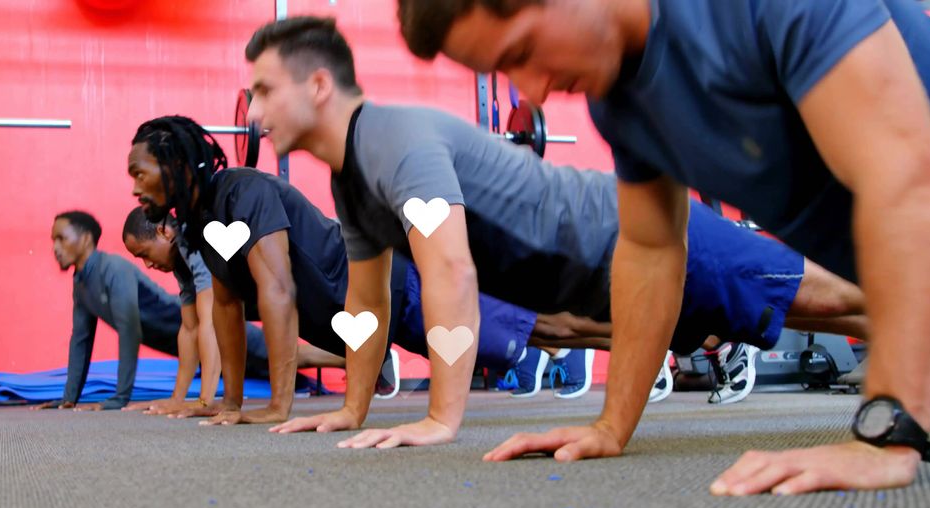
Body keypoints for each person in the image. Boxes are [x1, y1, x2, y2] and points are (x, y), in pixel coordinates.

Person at [239, 17, 930, 447]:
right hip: (609, 283)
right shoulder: (351, 178)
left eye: (266, 89)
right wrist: (351, 409)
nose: (255, 110)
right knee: (832, 308)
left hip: (639, 237)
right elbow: (367, 309)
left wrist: (441, 420)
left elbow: (451, 273)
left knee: (842, 300)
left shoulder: (392, 138)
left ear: (319, 85)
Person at [395, 0, 930, 494]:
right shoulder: (620, 101)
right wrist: (611, 426)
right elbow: (649, 249)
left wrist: (885, 432)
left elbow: (910, 188)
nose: (534, 92)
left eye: (523, 51)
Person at [126, 116, 595, 426]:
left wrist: (278, 405)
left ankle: (646, 338)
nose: (135, 188)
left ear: (177, 166)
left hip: (400, 287)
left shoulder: (242, 192)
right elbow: (225, 308)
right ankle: (639, 338)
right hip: (372, 321)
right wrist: (229, 402)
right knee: (535, 336)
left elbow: (278, 291)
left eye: (140, 173)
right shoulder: (198, 225)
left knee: (554, 327)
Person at [120, 206, 345, 417]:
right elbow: (190, 328)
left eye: (144, 254)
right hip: (270, 282)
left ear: (164, 232)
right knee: (278, 350)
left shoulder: (194, 241)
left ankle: (368, 362)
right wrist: (176, 399)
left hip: (328, 252)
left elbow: (210, 323)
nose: (147, 265)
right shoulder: (181, 263)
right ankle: (361, 361)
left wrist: (204, 401)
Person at [31, 211, 224, 411]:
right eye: (54, 240)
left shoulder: (114, 268)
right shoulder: (81, 283)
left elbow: (130, 331)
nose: (55, 248)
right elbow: (81, 339)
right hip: (197, 340)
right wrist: (68, 398)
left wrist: (119, 398)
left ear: (86, 238)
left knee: (255, 356)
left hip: (219, 331)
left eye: (61, 238)